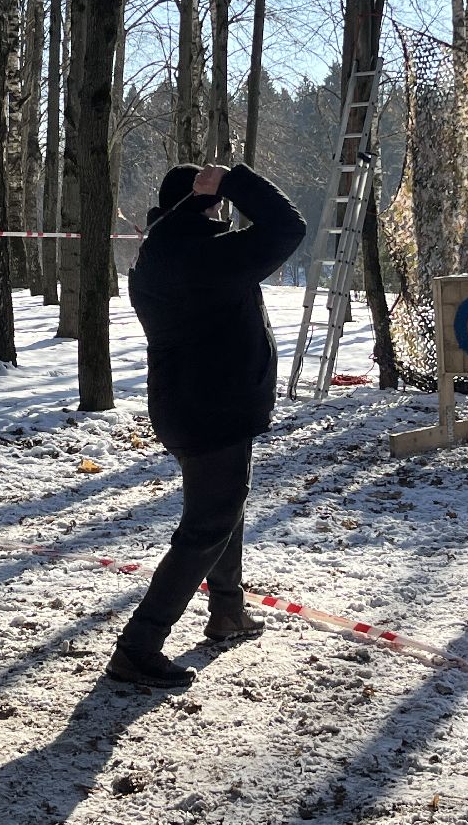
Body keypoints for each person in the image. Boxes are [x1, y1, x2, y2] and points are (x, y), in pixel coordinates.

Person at [108, 162, 306, 688]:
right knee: (206, 526)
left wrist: (213, 198)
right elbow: (290, 227)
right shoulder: (209, 254)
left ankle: (227, 610)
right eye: (217, 202)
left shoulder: (158, 250)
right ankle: (139, 646)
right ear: (209, 203)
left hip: (185, 406)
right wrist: (237, 181)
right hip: (214, 407)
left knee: (223, 508)